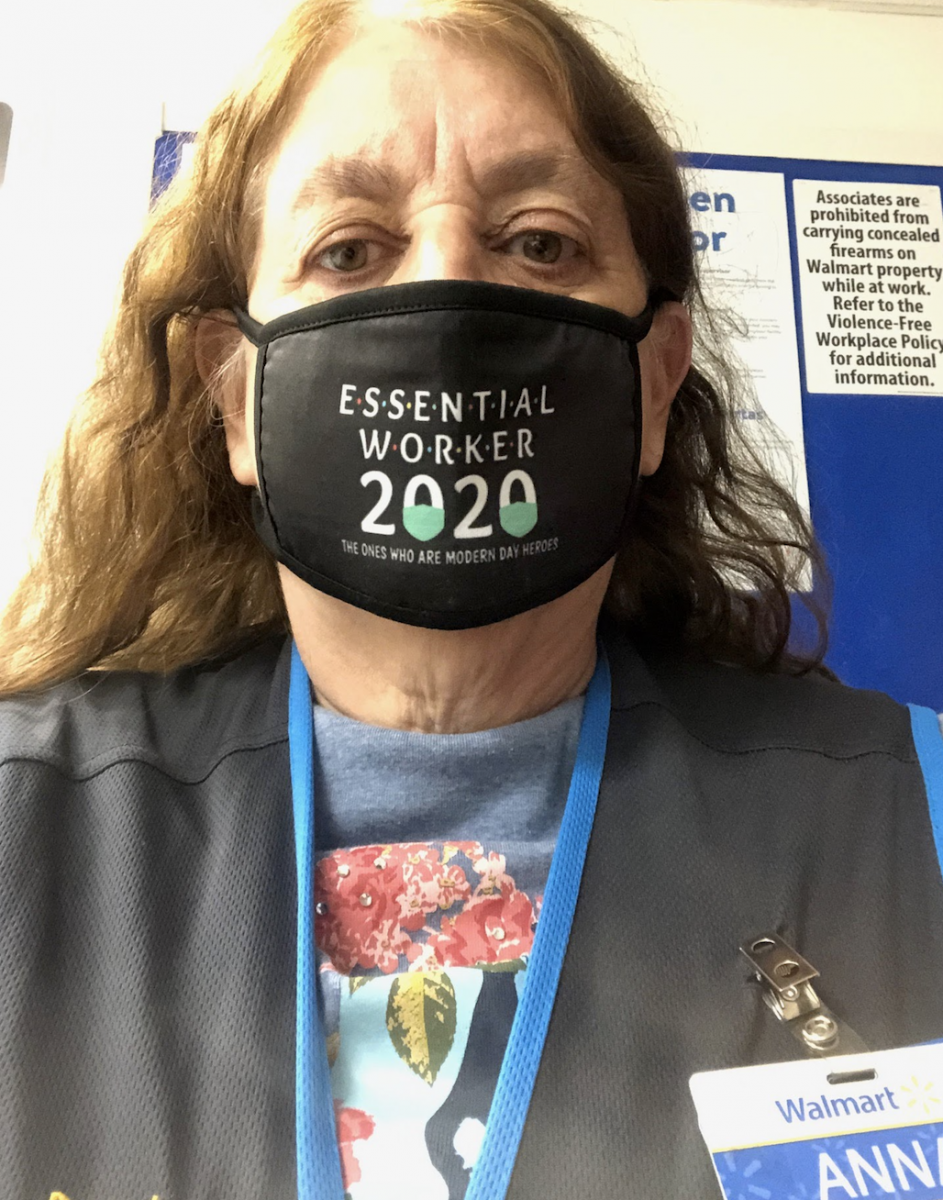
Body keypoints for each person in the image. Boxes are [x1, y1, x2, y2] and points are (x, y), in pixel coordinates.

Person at [1, 0, 941, 1198]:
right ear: (232, 396)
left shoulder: (912, 813)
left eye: (540, 241)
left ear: (656, 385)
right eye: (349, 248)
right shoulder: (24, 825)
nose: (447, 286)